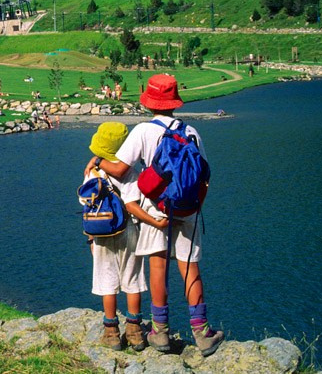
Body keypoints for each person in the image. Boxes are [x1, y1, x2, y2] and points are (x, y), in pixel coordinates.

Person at [88, 74, 225, 356]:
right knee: (190, 267)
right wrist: (194, 206)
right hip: (188, 209)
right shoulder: (191, 132)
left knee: (157, 268)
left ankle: (159, 332)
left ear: (150, 103)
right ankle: (202, 332)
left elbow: (120, 170)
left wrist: (99, 160)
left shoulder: (142, 131)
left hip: (154, 208)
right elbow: (205, 177)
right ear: (174, 103)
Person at [82, 122, 168, 351]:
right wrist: (154, 222)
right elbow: (131, 205)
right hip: (129, 230)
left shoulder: (92, 171)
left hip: (101, 232)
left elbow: (85, 203)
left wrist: (90, 238)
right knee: (132, 279)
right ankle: (135, 331)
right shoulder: (131, 172)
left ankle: (111, 332)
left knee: (106, 281)